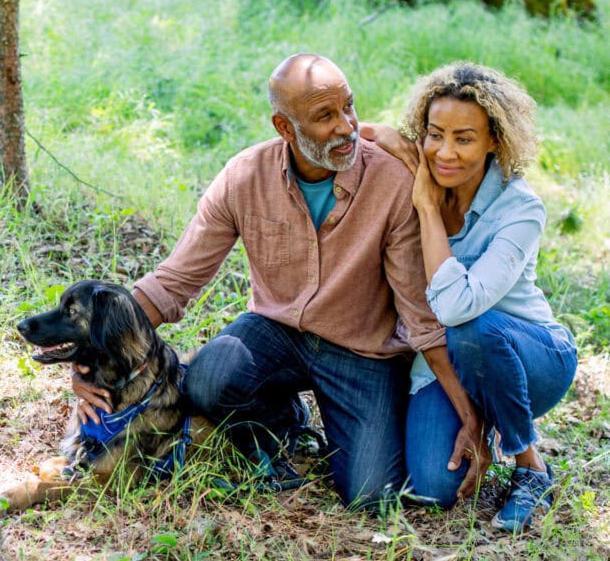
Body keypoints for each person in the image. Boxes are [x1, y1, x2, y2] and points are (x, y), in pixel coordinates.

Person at [72, 54, 453, 510]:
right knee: (209, 380)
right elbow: (173, 282)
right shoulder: (244, 176)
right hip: (275, 333)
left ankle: (351, 418)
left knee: (371, 496)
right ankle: (283, 418)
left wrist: (462, 408)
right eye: (325, 116)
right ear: (285, 128)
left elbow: (419, 313)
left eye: (349, 108)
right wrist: (92, 361)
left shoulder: (390, 180)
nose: (347, 126)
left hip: (362, 351)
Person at [369, 62, 578, 532]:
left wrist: (426, 209)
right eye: (434, 134)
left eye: (464, 138)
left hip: (533, 358)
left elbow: (457, 307)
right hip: (454, 361)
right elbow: (350, 131)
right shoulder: (417, 173)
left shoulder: (520, 208)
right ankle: (478, 417)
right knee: (432, 486)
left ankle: (531, 468)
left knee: (472, 325)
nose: (445, 152)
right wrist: (384, 136)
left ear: (493, 142)